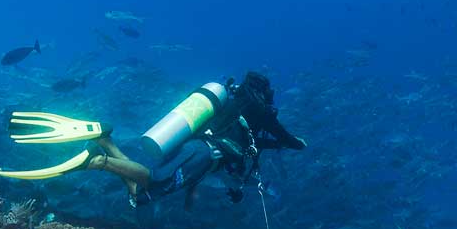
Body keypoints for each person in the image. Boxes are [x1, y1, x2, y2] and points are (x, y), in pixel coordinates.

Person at [86, 72, 305, 207]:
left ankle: (106, 143)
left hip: (194, 146)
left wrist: (275, 144)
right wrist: (299, 143)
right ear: (263, 92)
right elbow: (286, 138)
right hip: (204, 155)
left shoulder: (232, 103)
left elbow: (252, 142)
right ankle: (99, 161)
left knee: (141, 195)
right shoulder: (261, 112)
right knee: (152, 181)